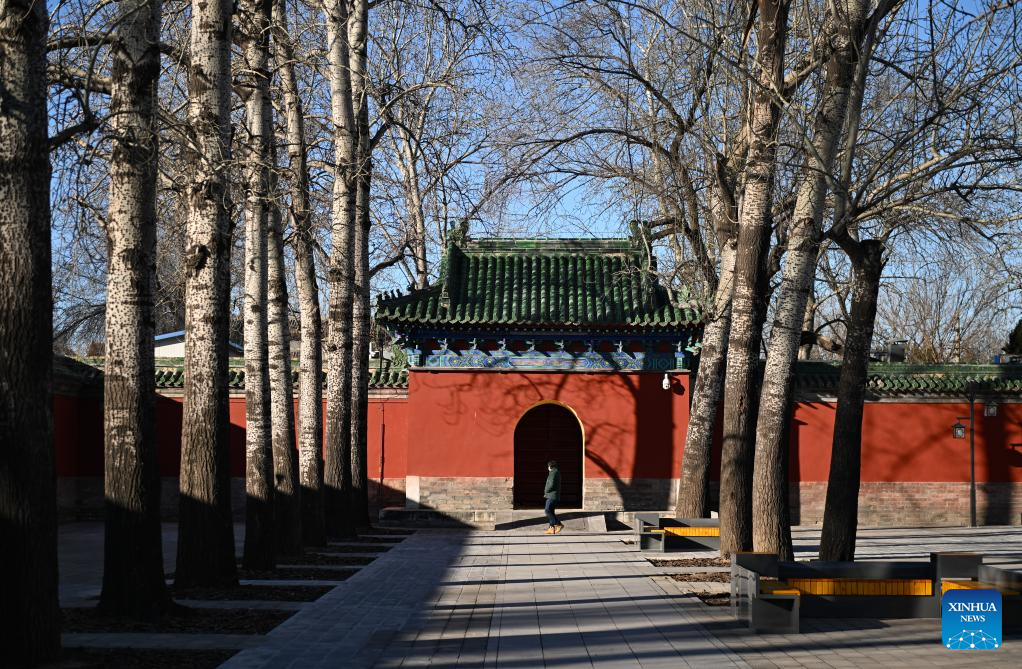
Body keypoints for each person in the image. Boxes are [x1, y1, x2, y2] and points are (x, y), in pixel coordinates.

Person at [544, 460, 563, 534]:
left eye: (548, 466)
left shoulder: (553, 473)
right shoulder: (556, 472)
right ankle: (551, 528)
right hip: (554, 495)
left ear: (550, 466)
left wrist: (546, 490)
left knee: (547, 510)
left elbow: (551, 484)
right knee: (551, 511)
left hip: (552, 495)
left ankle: (558, 524)